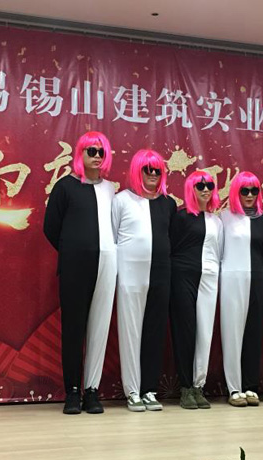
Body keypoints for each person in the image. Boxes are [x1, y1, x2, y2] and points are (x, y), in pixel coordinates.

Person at [43, 131, 117, 415]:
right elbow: (51, 227)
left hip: (106, 265)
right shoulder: (65, 187)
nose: (97, 157)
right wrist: (73, 251)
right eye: (91, 151)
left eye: (101, 152)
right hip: (75, 266)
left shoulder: (110, 190)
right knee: (74, 329)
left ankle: (92, 390)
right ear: (80, 154)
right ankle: (72, 390)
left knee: (99, 327)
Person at [112, 149, 177, 412]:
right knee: (131, 331)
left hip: (161, 273)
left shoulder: (168, 203)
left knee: (155, 331)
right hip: (130, 274)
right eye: (147, 169)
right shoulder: (121, 200)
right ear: (137, 171)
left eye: (157, 170)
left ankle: (149, 389)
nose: (152, 174)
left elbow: (172, 239)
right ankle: (132, 390)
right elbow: (113, 238)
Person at [170, 170, 222, 409]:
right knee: (185, 330)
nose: (205, 190)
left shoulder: (216, 221)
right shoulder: (180, 218)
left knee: (205, 332)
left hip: (209, 278)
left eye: (209, 185)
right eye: (200, 186)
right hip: (182, 277)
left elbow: (219, 252)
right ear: (191, 189)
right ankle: (185, 387)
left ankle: (198, 386)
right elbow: (171, 248)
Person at [220, 171, 263, 407]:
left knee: (254, 333)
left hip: (258, 280)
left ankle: (251, 385)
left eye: (254, 190)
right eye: (244, 190)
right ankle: (234, 387)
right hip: (232, 279)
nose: (249, 195)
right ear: (236, 192)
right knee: (232, 333)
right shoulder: (225, 218)